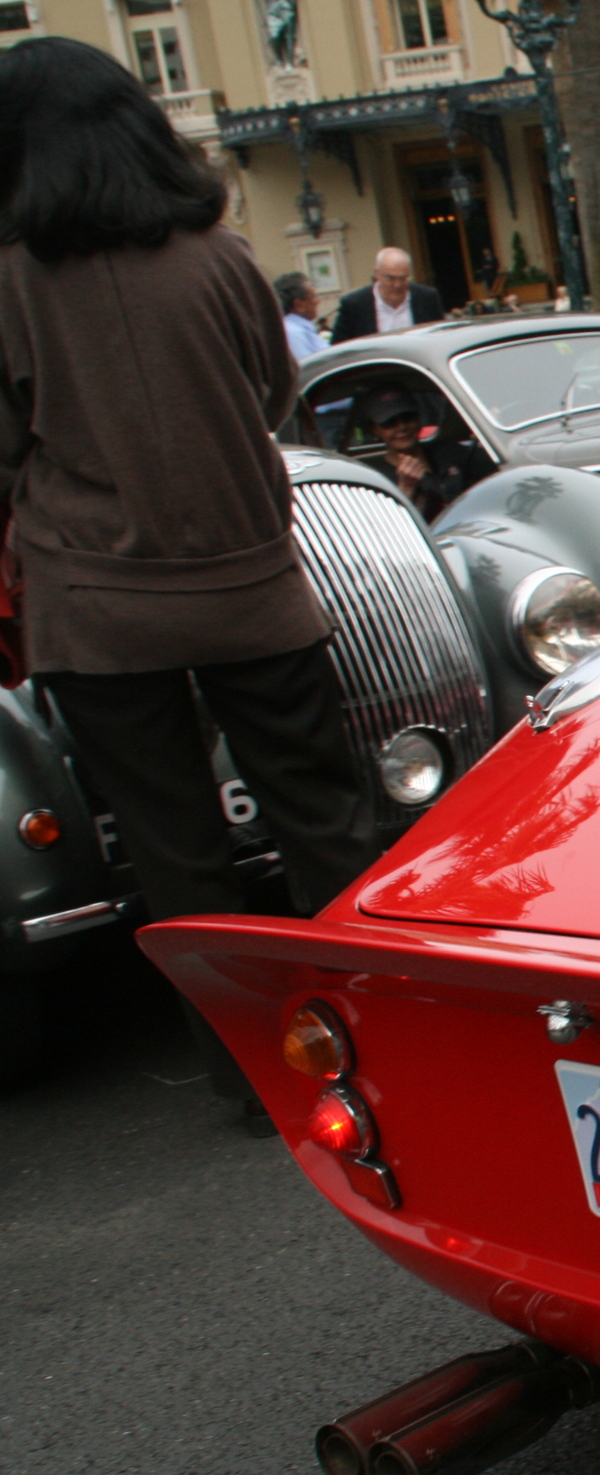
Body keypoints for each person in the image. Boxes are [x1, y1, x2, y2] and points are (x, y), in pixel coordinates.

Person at [0, 38, 373, 1115]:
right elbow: (271, 395)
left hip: (98, 605)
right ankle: (372, 1040)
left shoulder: (13, 277)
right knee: (323, 825)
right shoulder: (218, 256)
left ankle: (252, 1077)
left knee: (179, 857)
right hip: (250, 584)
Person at [357, 383, 496, 522]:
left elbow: (496, 468)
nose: (402, 427)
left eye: (408, 417)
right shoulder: (374, 478)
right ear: (374, 429)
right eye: (389, 423)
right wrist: (406, 489)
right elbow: (384, 527)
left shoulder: (448, 451)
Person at [328, 246, 444, 342]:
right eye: (390, 278)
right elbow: (339, 347)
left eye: (403, 278)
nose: (397, 285)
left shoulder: (427, 298)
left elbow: (440, 338)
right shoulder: (355, 305)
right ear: (377, 274)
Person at [275, 271, 326, 360]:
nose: (318, 301)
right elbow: (309, 369)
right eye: (313, 296)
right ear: (299, 304)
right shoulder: (292, 333)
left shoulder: (296, 329)